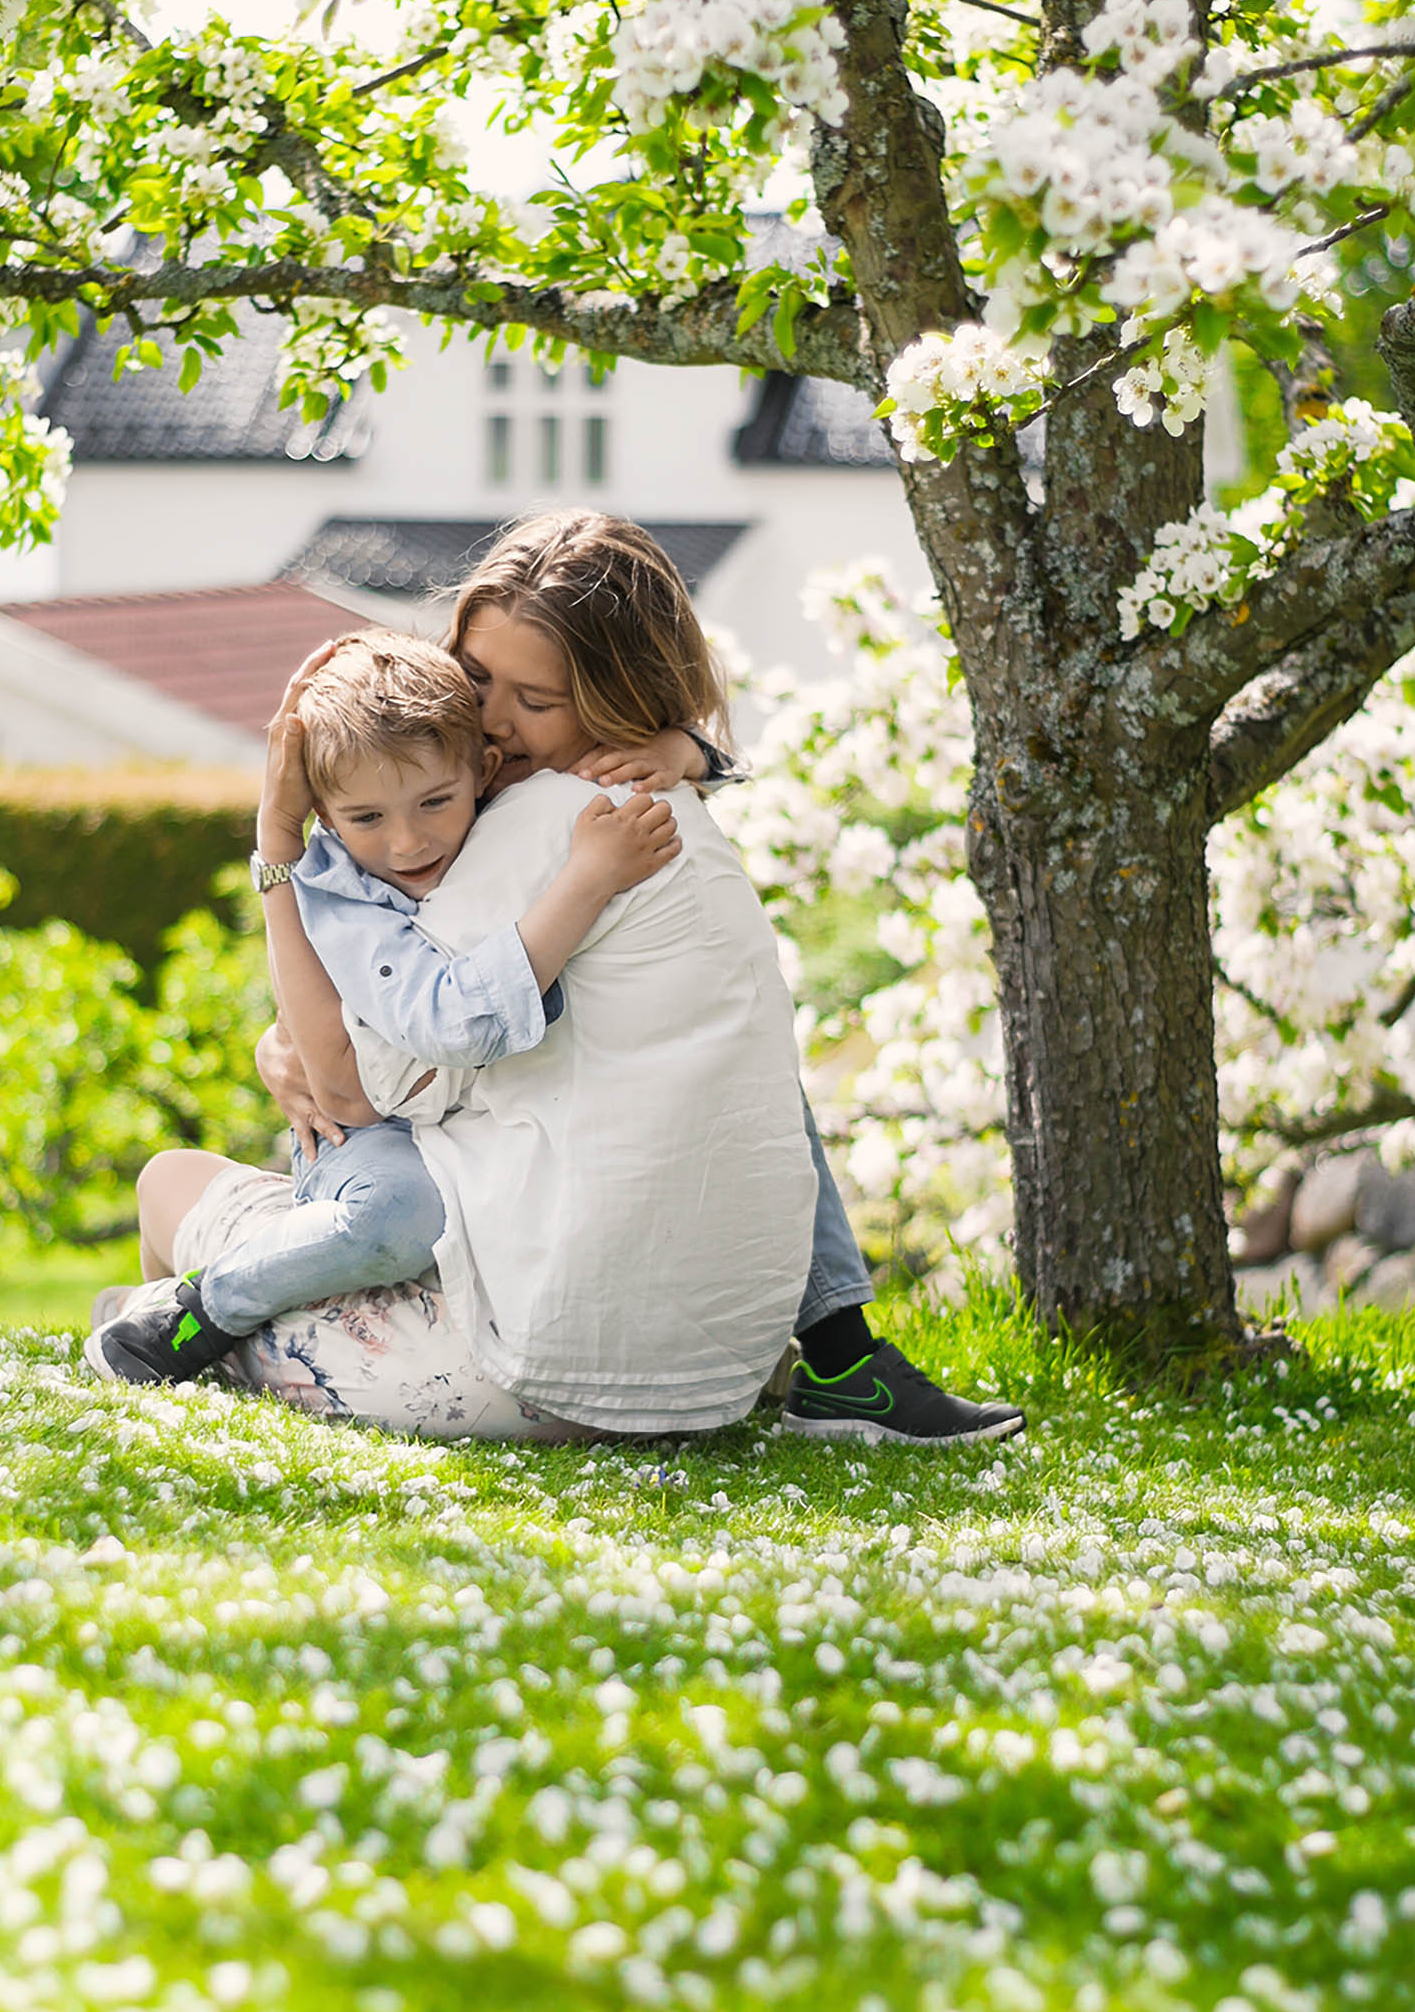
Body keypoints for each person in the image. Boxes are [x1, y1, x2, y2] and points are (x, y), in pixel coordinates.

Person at [445, 512, 1024, 1450]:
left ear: (617, 704)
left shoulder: (587, 792)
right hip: (434, 1072)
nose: (492, 720)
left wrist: (684, 751)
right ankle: (838, 1353)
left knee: (746, 1062)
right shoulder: (432, 753)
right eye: (476, 678)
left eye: (536, 701)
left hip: (561, 1071)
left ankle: (836, 1352)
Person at [85, 632, 678, 1390]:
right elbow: (439, 1032)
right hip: (373, 1140)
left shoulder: (498, 820)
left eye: (435, 802)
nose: (407, 841)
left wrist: (682, 749)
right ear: (326, 820)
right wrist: (589, 879)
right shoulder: (340, 888)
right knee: (404, 1213)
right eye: (365, 819)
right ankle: (200, 1310)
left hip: (478, 1127)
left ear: (483, 773)